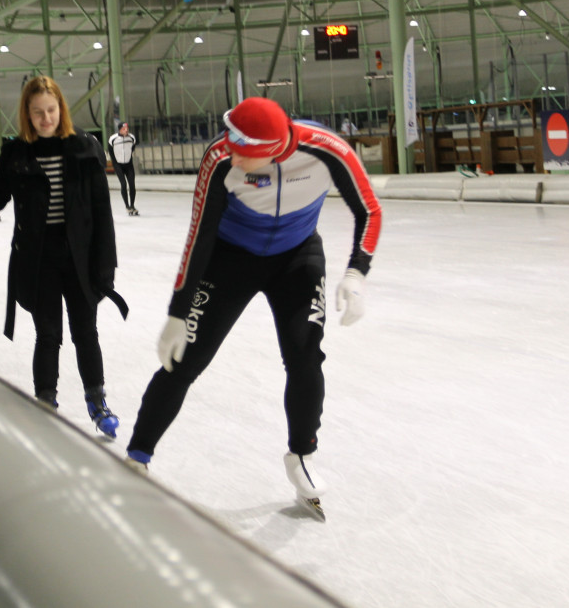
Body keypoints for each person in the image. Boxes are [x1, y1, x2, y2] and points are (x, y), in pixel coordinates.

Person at [123, 96, 382, 516]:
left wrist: (357, 273)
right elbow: (199, 235)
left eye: (243, 153)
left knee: (305, 357)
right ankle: (138, 455)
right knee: (185, 361)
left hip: (297, 257)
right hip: (231, 258)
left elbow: (369, 209)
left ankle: (301, 455)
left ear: (271, 150)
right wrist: (177, 311)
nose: (231, 154)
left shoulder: (327, 149)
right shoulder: (221, 156)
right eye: (229, 144)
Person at [0, 76, 127, 438]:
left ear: (60, 109)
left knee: (86, 333)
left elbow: (102, 211)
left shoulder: (84, 147)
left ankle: (97, 400)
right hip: (39, 259)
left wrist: (105, 265)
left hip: (79, 255)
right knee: (48, 335)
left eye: (51, 110)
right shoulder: (17, 153)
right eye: (38, 113)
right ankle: (45, 403)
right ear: (27, 115)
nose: (46, 118)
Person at [108, 122, 139, 216]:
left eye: (127, 128)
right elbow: (111, 152)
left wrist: (128, 157)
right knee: (123, 184)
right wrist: (115, 162)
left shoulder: (132, 138)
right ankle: (127, 206)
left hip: (129, 164)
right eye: (124, 128)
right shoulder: (113, 139)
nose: (126, 130)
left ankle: (132, 205)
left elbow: (132, 148)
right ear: (120, 129)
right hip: (118, 165)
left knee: (132, 185)